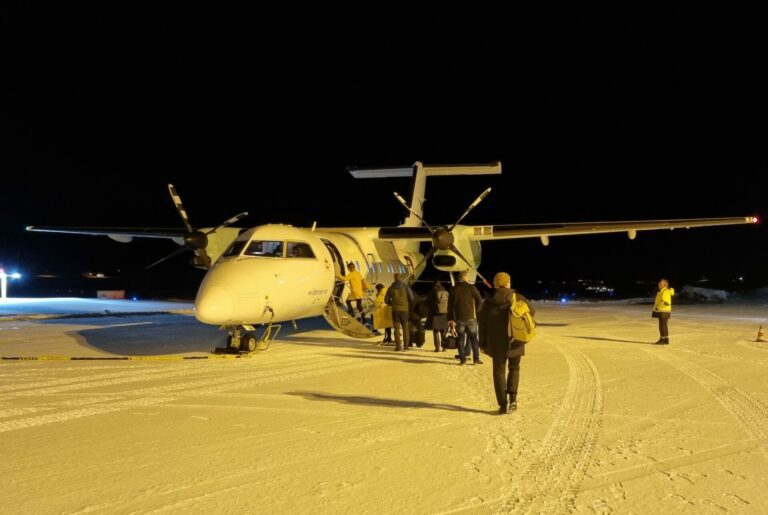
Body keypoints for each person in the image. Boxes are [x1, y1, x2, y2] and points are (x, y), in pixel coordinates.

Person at [479, 272, 534, 415]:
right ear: (508, 283)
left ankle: (502, 405)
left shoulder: (487, 302)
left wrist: (482, 344)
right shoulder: (518, 298)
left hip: (496, 343)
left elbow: (482, 325)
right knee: (514, 369)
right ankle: (513, 401)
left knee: (498, 373)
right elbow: (531, 312)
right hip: (515, 341)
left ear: (495, 284)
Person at [447, 270, 484, 365]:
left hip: (459, 318)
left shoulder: (454, 289)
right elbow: (479, 300)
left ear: (459, 278)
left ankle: (463, 360)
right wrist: (477, 311)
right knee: (474, 339)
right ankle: (476, 359)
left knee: (460, 339)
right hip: (471, 317)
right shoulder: (472, 288)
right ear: (466, 278)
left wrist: (450, 318)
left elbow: (450, 305)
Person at [385, 273, 414, 351]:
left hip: (395, 310)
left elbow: (386, 301)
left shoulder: (390, 288)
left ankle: (398, 347)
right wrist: (406, 304)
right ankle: (406, 346)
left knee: (396, 329)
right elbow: (411, 298)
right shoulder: (406, 287)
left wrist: (392, 304)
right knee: (405, 328)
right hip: (404, 310)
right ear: (401, 278)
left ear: (394, 278)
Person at [425, 280, 449, 352]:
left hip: (435, 313)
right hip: (444, 313)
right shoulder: (445, 291)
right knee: (443, 330)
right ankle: (444, 347)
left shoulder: (432, 291)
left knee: (435, 331)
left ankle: (437, 348)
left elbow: (427, 302)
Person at [652, 278, 675, 345]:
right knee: (663, 325)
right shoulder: (663, 291)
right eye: (659, 283)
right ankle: (665, 339)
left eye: (660, 283)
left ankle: (663, 340)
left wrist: (657, 307)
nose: (659, 284)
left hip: (663, 310)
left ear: (665, 285)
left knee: (662, 326)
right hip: (664, 310)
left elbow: (665, 302)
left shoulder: (665, 291)